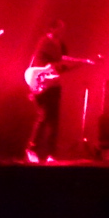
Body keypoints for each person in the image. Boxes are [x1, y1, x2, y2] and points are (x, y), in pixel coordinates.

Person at [25, 19, 69, 163]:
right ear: (52, 29)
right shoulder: (44, 42)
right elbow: (37, 63)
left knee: (54, 120)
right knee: (43, 117)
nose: (62, 31)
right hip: (42, 84)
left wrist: (82, 64)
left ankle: (51, 153)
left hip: (55, 84)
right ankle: (31, 148)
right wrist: (32, 87)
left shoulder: (61, 45)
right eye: (59, 28)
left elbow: (64, 64)